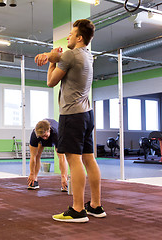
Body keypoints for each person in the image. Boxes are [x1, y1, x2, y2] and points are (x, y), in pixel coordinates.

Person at [35, 19, 106, 223]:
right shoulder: (87, 55)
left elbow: (51, 82)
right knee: (89, 159)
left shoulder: (71, 55)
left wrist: (50, 60)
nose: (68, 37)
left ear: (79, 37)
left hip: (72, 115)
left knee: (73, 160)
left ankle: (77, 210)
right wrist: (54, 55)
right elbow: (62, 55)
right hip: (87, 114)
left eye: (71, 34)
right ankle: (95, 205)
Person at [27, 119, 68, 192]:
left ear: (49, 130)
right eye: (42, 136)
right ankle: (34, 180)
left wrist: (63, 176)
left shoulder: (57, 133)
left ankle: (65, 183)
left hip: (56, 136)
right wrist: (32, 174)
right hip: (42, 137)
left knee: (61, 155)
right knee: (37, 156)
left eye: (45, 136)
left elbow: (62, 158)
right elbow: (33, 157)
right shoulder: (35, 134)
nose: (44, 138)